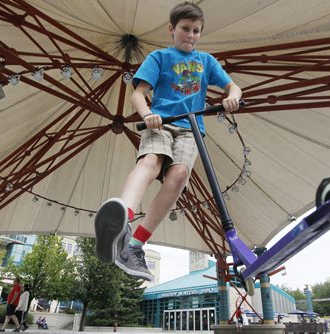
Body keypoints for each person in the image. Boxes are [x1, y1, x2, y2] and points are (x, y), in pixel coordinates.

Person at [94, 1, 242, 280]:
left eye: (197, 31)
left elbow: (232, 86)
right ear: (172, 29)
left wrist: (232, 95)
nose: (191, 35)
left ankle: (135, 246)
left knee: (179, 176)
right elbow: (138, 94)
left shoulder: (206, 61)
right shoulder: (159, 57)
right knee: (151, 161)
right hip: (161, 123)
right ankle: (121, 219)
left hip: (190, 129)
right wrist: (148, 114)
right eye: (185, 29)